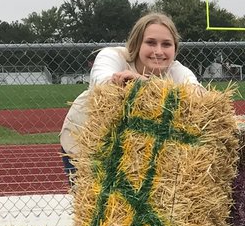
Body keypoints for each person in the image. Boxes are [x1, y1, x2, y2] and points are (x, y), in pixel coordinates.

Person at [59, 12, 200, 180]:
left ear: (175, 49)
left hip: (136, 154)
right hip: (85, 144)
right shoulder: (113, 56)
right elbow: (103, 85)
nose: (159, 51)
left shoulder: (176, 70)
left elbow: (199, 97)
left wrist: (143, 82)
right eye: (150, 42)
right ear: (137, 43)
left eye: (166, 44)